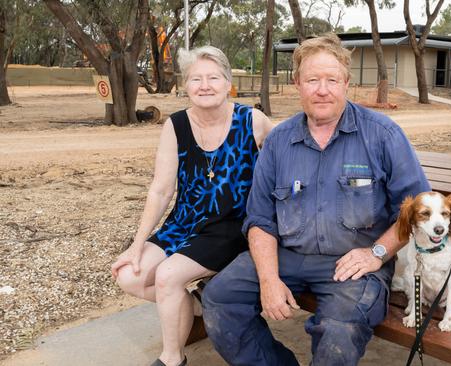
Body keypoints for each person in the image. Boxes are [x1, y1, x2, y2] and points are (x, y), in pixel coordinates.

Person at [202, 34, 431, 365]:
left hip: (353, 264)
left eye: (332, 80)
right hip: (287, 255)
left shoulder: (382, 135)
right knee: (220, 300)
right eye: (312, 80)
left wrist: (377, 253)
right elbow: (260, 219)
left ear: (346, 83)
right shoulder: (279, 141)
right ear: (297, 83)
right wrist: (268, 279)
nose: (322, 89)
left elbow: (417, 210)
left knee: (337, 330)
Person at [110, 46, 273, 366]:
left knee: (169, 276)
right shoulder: (176, 125)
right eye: (195, 79)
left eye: (214, 77)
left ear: (228, 83)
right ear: (185, 85)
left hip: (232, 226)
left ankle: (172, 358)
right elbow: (160, 189)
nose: (205, 85)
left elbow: (291, 157)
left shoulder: (252, 121)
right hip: (184, 222)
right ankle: (198, 304)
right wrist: (137, 244)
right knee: (129, 275)